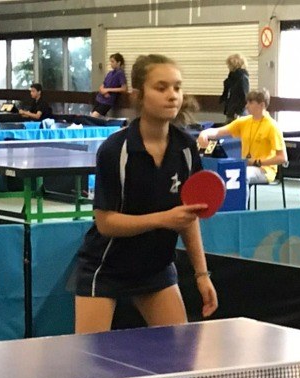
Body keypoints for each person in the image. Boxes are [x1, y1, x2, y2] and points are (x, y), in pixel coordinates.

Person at [74, 54, 218, 334]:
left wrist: (202, 275)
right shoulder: (116, 151)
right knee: (87, 364)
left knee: (179, 358)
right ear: (139, 95)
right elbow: (105, 222)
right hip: (106, 267)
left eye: (177, 87)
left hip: (155, 269)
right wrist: (164, 219)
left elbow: (189, 217)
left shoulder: (187, 149)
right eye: (161, 88)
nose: (172, 96)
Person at [198, 89, 287, 186]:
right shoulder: (243, 122)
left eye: (251, 103)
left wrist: (257, 162)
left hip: (265, 170)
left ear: (261, 105)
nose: (246, 106)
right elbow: (219, 131)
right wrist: (204, 133)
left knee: (241, 175)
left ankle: (241, 201)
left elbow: (282, 158)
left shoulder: (272, 126)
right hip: (245, 165)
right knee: (225, 173)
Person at [91, 53, 127, 118]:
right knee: (91, 116)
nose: (111, 63)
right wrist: (102, 90)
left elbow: (123, 88)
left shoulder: (120, 74)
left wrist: (108, 90)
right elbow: (103, 84)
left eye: (113, 62)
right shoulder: (110, 73)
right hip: (99, 98)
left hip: (107, 101)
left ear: (118, 63)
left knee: (94, 116)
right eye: (111, 62)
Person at [219, 54, 250, 123]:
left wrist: (238, 112)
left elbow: (244, 97)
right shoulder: (232, 78)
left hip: (238, 112)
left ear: (235, 64)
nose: (228, 66)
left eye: (229, 64)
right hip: (231, 110)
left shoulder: (242, 78)